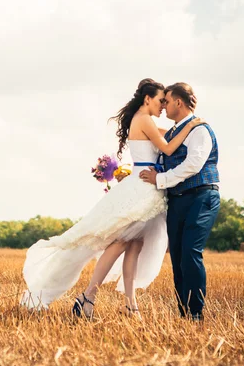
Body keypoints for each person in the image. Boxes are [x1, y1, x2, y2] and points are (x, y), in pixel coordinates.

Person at [20, 78, 205, 319]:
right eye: (160, 100)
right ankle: (88, 296)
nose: (163, 106)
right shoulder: (144, 119)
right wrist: (192, 126)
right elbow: (169, 148)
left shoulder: (144, 120)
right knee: (120, 242)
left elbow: (170, 135)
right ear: (147, 99)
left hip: (146, 185)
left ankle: (130, 305)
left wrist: (186, 126)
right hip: (143, 188)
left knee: (134, 246)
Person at [140, 82, 220, 321]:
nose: (163, 105)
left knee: (189, 253)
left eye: (166, 101)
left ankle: (196, 314)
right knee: (176, 255)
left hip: (201, 196)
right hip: (177, 200)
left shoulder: (200, 130)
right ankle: (184, 314)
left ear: (178, 102)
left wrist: (160, 179)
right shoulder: (174, 132)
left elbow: (193, 165)